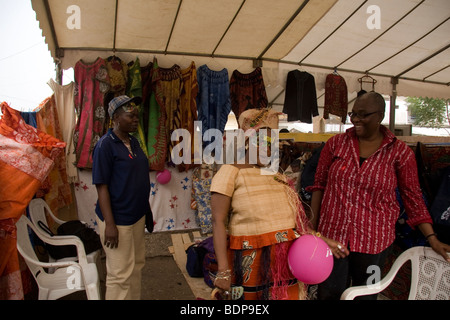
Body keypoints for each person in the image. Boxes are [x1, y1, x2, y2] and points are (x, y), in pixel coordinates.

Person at [308, 91, 450, 300]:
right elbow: (319, 186)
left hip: (373, 241)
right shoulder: (336, 144)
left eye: (363, 115)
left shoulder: (400, 153)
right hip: (333, 236)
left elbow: (413, 198)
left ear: (380, 116)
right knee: (329, 293)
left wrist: (432, 238)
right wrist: (312, 229)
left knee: (366, 294)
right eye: (353, 114)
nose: (356, 119)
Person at [210, 108, 310, 300]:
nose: (268, 148)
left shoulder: (278, 177)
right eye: (261, 142)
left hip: (285, 266)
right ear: (246, 142)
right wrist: (223, 270)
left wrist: (318, 238)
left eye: (273, 143)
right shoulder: (230, 172)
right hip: (250, 265)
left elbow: (297, 221)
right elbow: (218, 221)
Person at [92, 95, 151, 300]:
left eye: (137, 115)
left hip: (136, 216)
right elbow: (102, 187)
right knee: (120, 273)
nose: (135, 119)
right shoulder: (105, 145)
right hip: (118, 220)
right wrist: (110, 224)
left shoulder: (133, 142)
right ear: (115, 118)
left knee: (135, 266)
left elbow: (138, 179)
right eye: (130, 115)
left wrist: (147, 211)